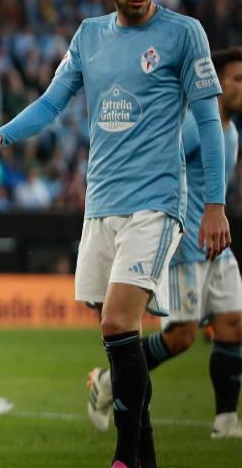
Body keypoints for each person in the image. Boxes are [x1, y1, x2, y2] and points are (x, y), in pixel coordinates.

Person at [0, 0, 230, 468]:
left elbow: (209, 123)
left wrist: (214, 204)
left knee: (118, 322)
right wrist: (2, 135)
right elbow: (53, 101)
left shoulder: (185, 35)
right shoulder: (88, 37)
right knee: (124, 340)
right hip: (101, 205)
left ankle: (123, 465)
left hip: (155, 204)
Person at [87, 46, 242, 439]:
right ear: (219, 85)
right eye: (238, 80)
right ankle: (108, 382)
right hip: (187, 246)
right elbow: (162, 165)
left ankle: (226, 421)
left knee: (234, 324)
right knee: (182, 337)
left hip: (217, 248)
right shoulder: (192, 126)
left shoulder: (232, 132)